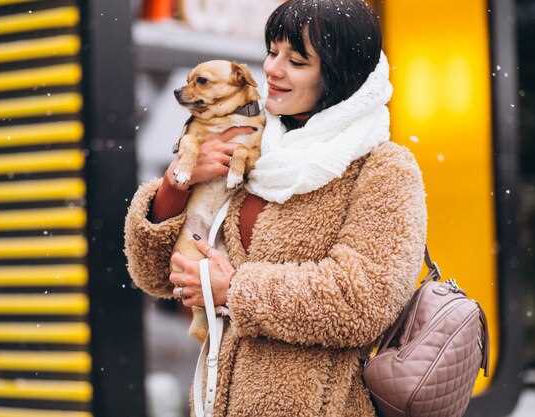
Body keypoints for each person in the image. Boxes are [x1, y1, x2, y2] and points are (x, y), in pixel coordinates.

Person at [124, 0, 427, 416]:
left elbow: (363, 299)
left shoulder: (383, 168)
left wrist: (234, 290)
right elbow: (155, 276)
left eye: (297, 61)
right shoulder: (251, 145)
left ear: (340, 76)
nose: (272, 69)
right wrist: (179, 184)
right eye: (272, 52)